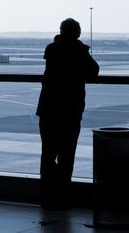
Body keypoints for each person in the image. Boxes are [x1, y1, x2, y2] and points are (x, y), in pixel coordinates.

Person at [36, 18, 99, 210]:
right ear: (77, 33)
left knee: (48, 153)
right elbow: (94, 71)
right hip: (70, 110)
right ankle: (62, 196)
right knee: (67, 154)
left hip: (48, 108)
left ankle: (47, 196)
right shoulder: (78, 51)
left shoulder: (52, 49)